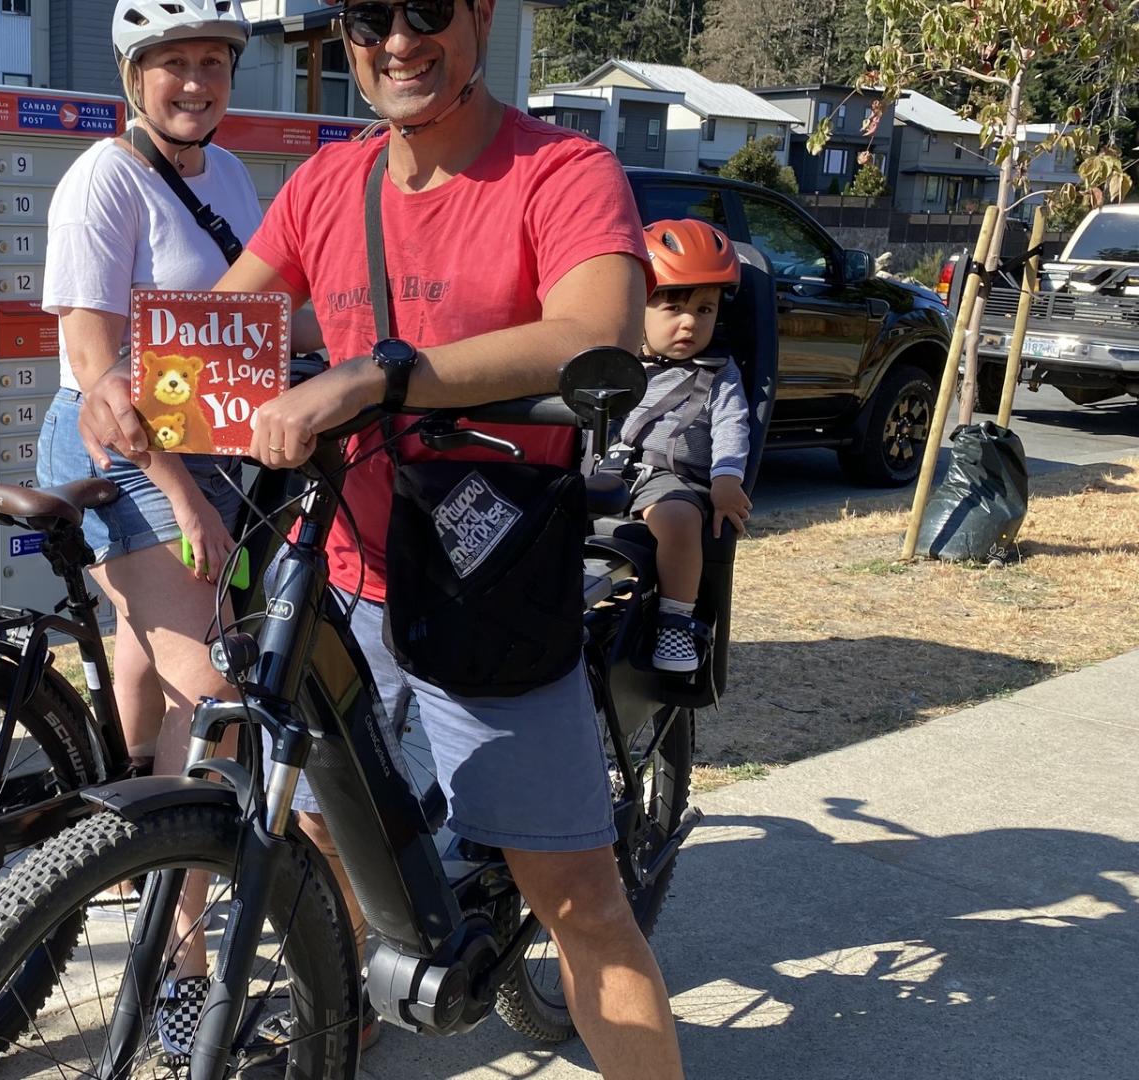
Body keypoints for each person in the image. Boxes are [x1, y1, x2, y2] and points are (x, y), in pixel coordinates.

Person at [74, 0, 688, 1075]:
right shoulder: (328, 183)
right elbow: (220, 332)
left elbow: (597, 329)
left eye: (426, 9)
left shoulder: (562, 170)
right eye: (367, 15)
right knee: (318, 831)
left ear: (480, 15)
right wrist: (128, 392)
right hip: (345, 578)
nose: (397, 39)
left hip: (485, 582)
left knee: (580, 900)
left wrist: (378, 372)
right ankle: (346, 1019)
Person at [34, 0, 263, 1057]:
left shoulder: (228, 176)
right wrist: (186, 499)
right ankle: (181, 970)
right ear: (133, 75)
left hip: (202, 446)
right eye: (174, 63)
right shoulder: (105, 178)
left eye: (213, 61)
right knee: (207, 702)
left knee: (141, 686)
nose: (197, 82)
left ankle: (117, 855)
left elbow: (246, 325)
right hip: (120, 455)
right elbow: (98, 372)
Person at [615, 218, 753, 673]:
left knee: (677, 521)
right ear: (639, 306)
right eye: (674, 309)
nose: (691, 322)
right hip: (606, 471)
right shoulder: (617, 358)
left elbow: (733, 427)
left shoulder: (719, 373)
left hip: (670, 481)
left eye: (706, 310)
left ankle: (675, 623)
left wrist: (727, 479)